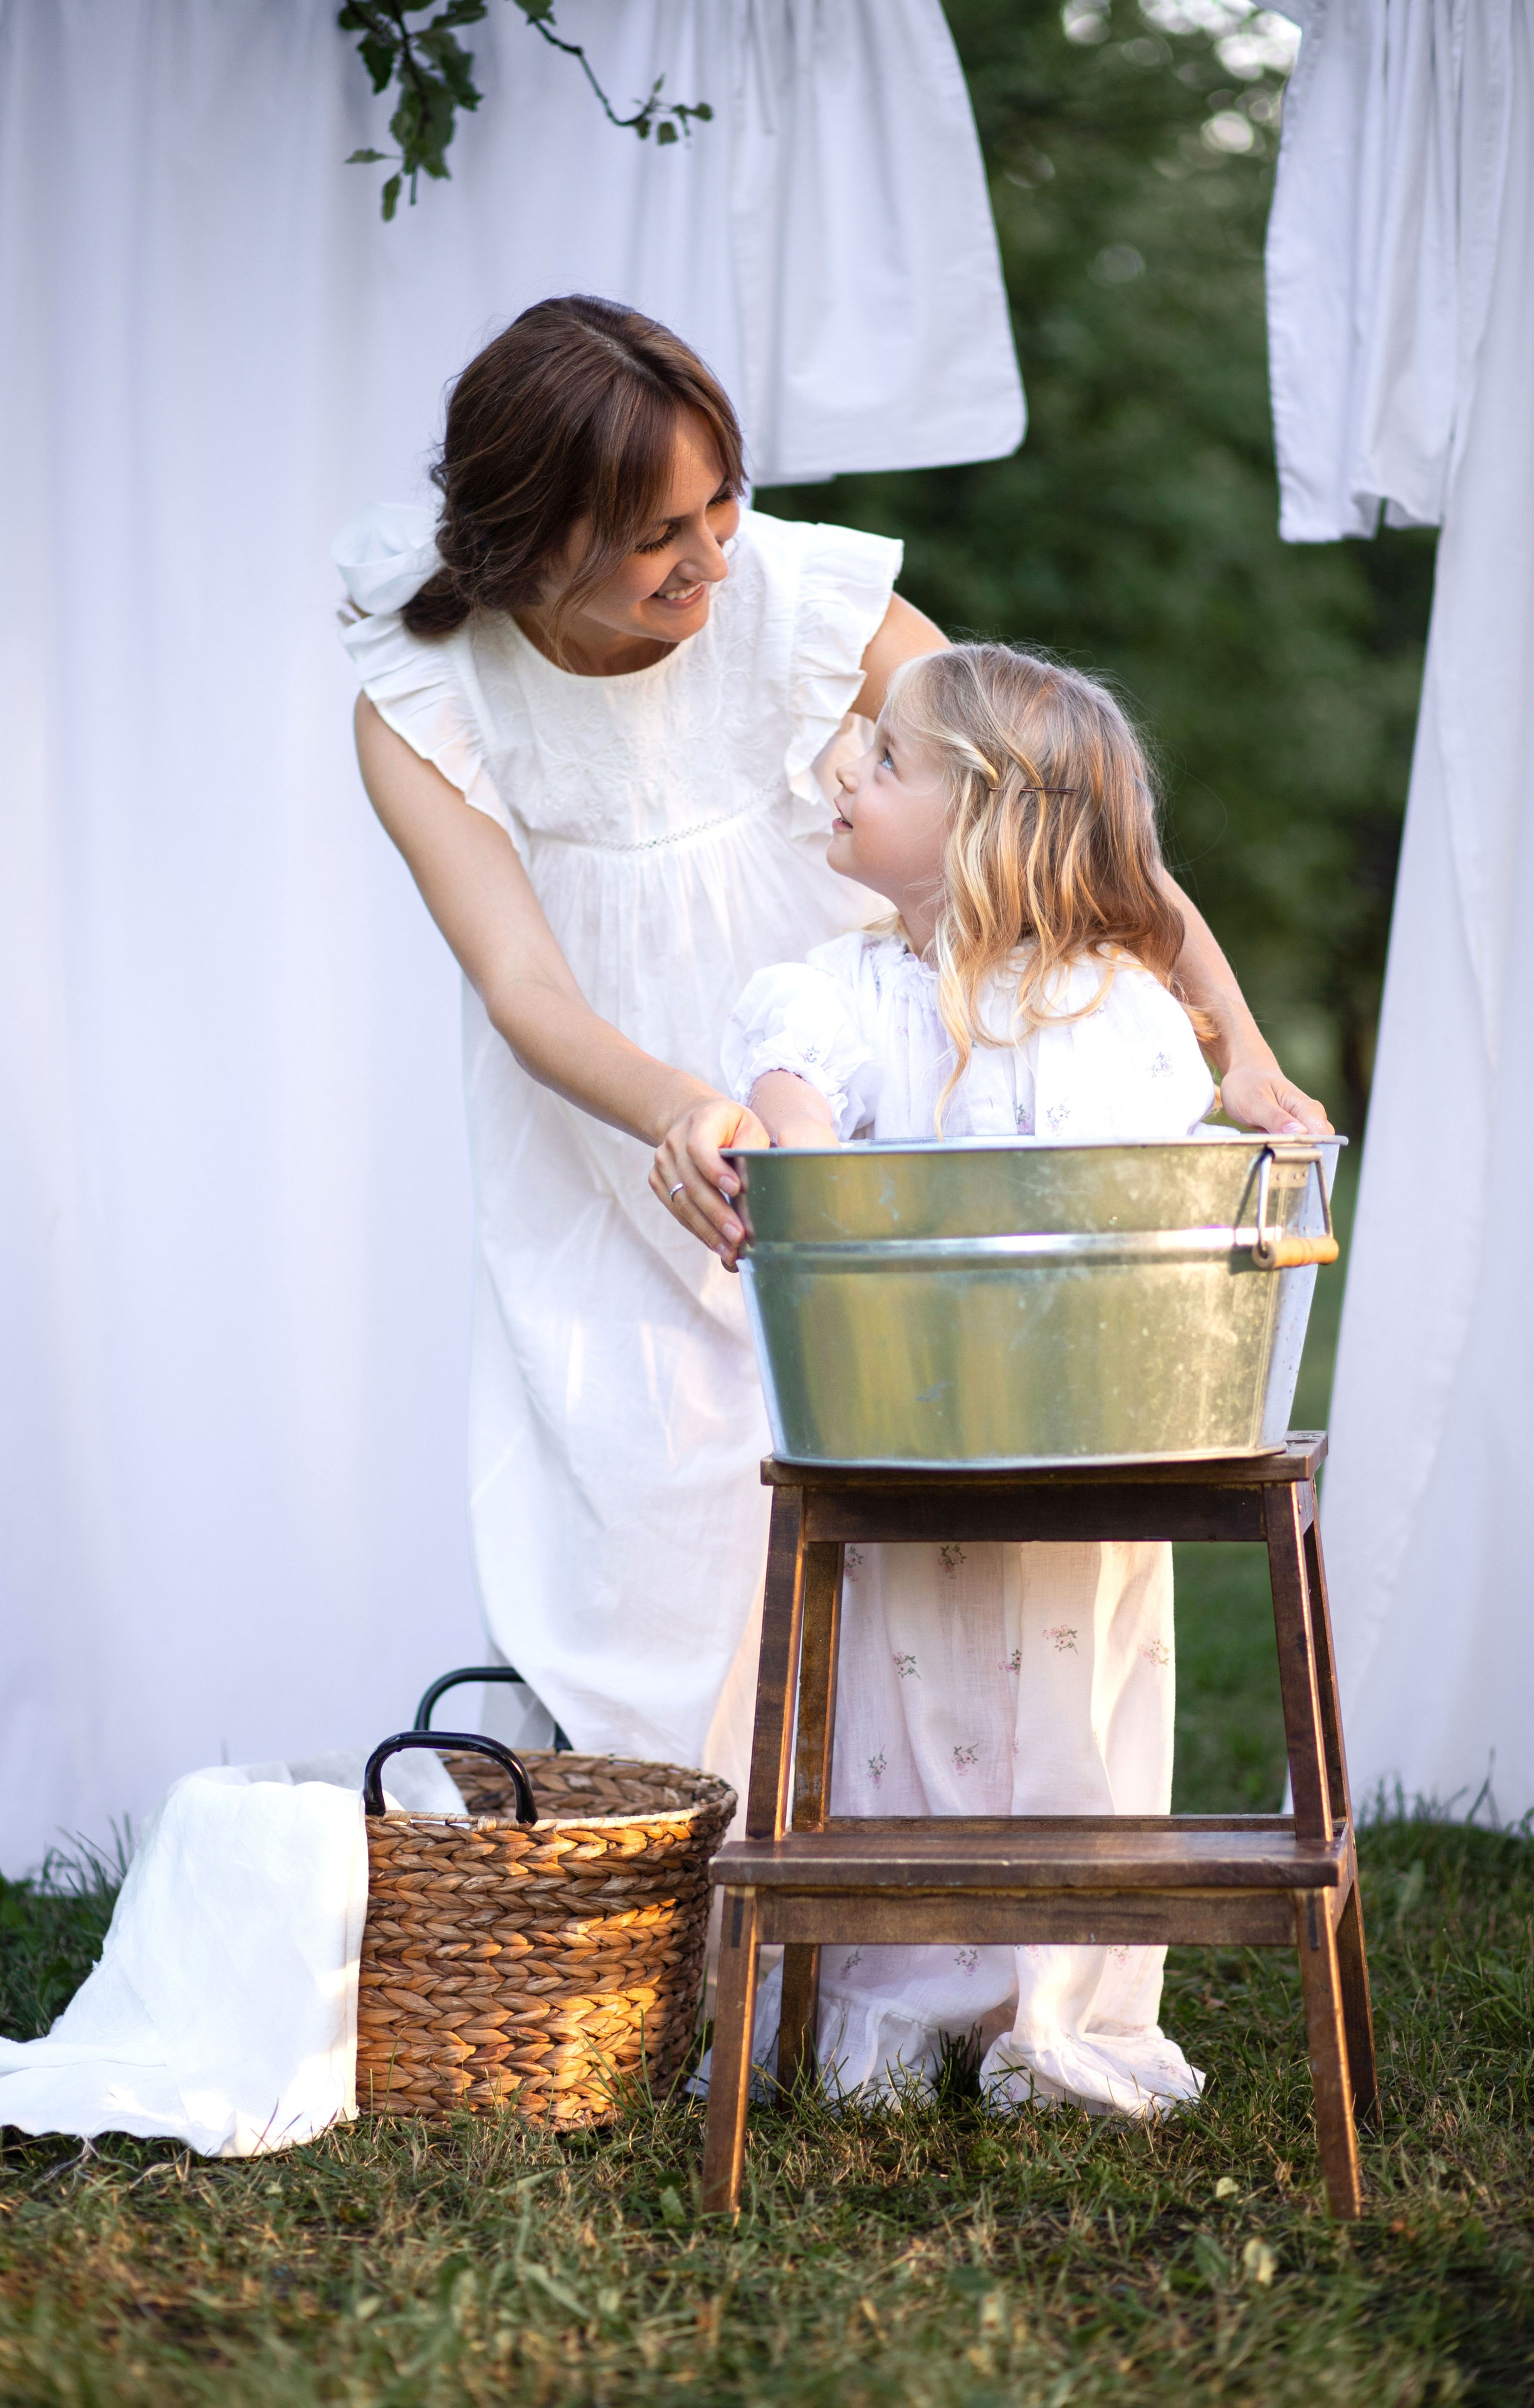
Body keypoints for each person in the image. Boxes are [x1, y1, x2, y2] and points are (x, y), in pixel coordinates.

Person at [339, 293, 1330, 1802]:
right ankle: (669, 1931)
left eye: (722, 500)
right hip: (620, 1130)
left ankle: (893, 1918)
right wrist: (691, 1111)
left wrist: (1237, 1046)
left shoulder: (806, 605)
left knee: (904, 1523)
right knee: (645, 1527)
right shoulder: (427, 693)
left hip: (876, 1111)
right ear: (538, 541)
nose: (715, 556)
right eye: (662, 533)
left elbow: (1070, 839)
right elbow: (524, 986)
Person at [719, 643, 1213, 2111]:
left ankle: (1057, 1998)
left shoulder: (1116, 1012)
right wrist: (774, 1134)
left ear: (983, 814)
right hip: (907, 1429)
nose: (840, 778)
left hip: (1086, 1428)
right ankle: (897, 1997)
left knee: (1075, 1708)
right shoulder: (834, 996)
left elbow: (1133, 1201)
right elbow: (798, 1137)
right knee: (901, 1706)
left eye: (880, 762)